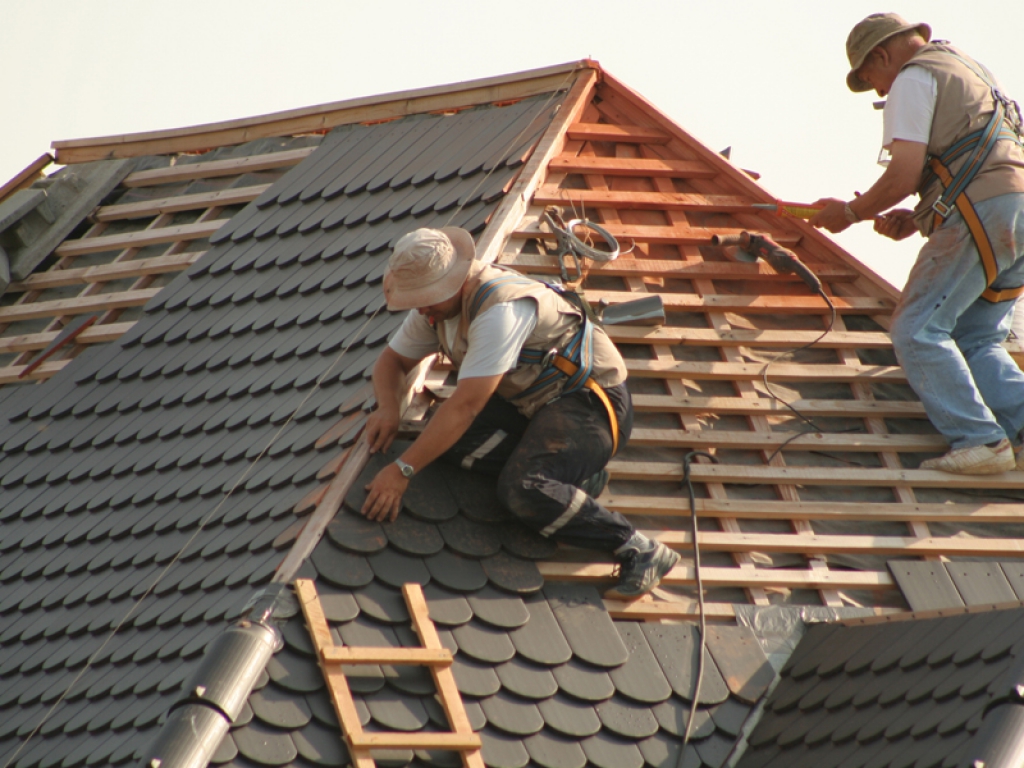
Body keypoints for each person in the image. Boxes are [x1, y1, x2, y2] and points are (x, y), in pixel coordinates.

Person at [359, 227, 679, 598]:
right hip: (529, 403)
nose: (421, 308)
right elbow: (392, 362)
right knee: (441, 438)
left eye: (426, 299)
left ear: (453, 282)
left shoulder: (500, 311)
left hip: (590, 403)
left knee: (522, 488)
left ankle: (638, 548)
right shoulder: (436, 309)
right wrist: (387, 407)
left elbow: (466, 405)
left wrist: (403, 470)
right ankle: (572, 477)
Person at [809, 13, 1024, 475]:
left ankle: (981, 440)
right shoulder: (964, 68)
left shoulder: (912, 77)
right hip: (1012, 210)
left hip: (985, 212)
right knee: (976, 334)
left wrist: (849, 212)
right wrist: (921, 216)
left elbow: (902, 173)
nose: (880, 92)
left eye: (872, 80)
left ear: (882, 56)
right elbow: (971, 157)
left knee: (916, 328)